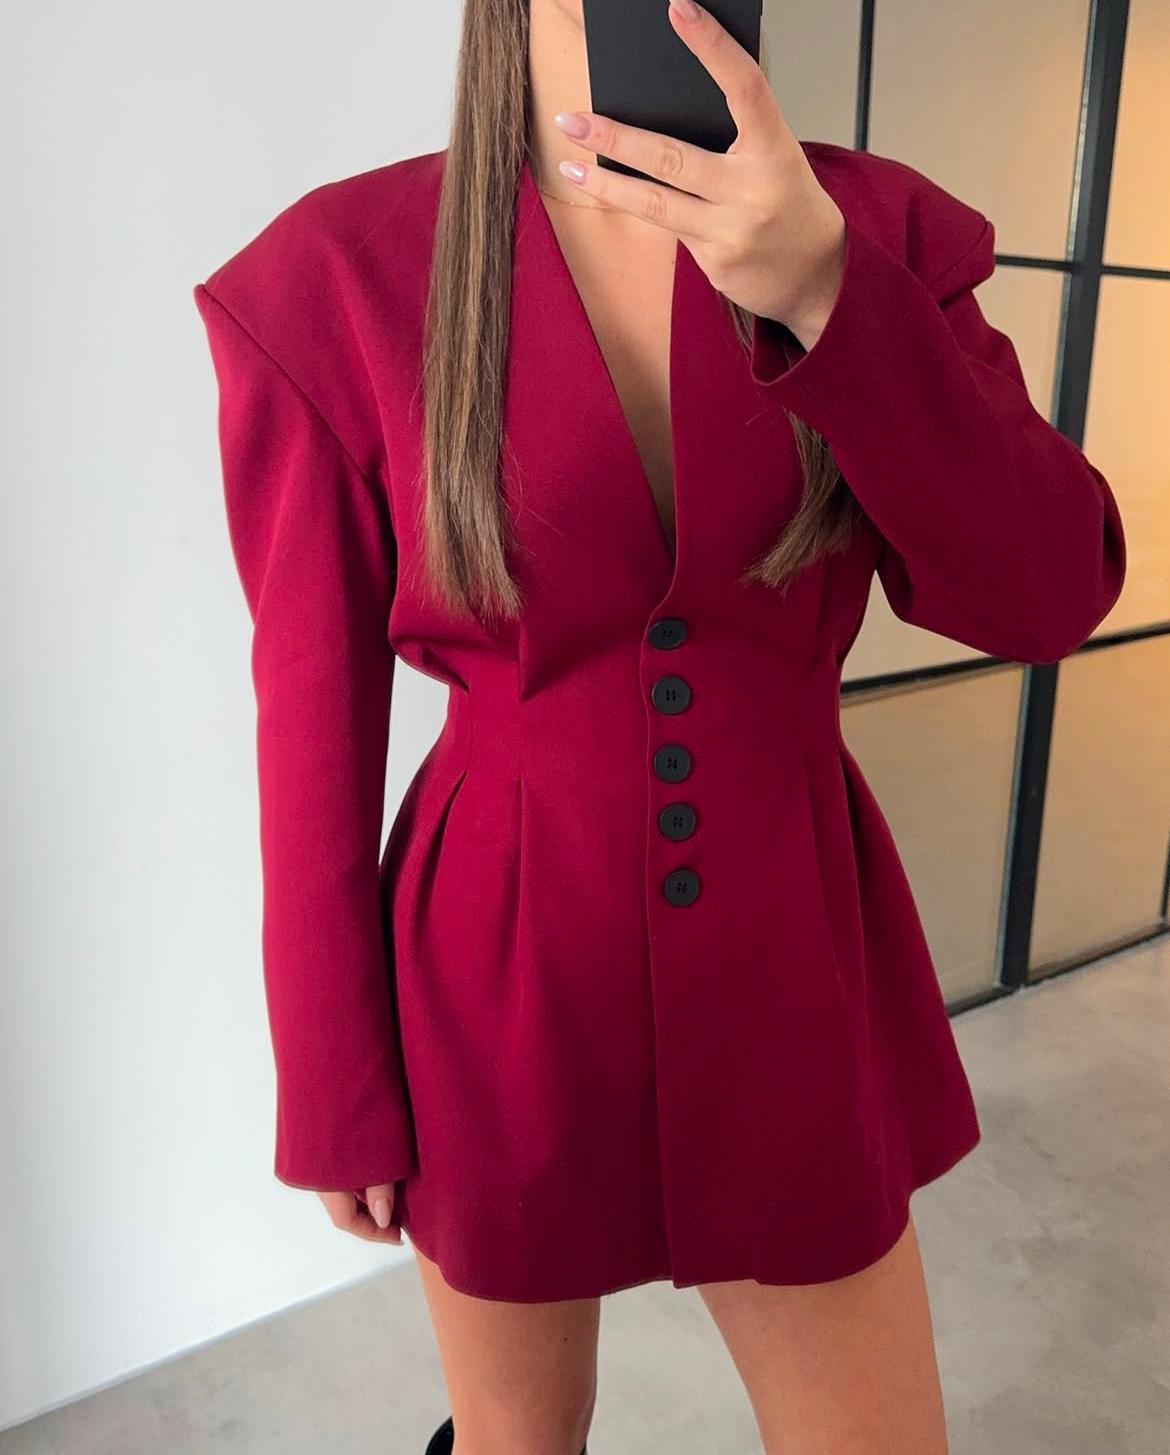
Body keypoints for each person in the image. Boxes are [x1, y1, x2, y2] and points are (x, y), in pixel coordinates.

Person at [192, 0, 1127, 1450]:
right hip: (494, 976)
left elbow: (1046, 595)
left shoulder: (876, 233)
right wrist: (332, 1076)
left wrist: (828, 294)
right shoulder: (337, 276)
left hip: (788, 948)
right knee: (518, 1443)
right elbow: (310, 729)